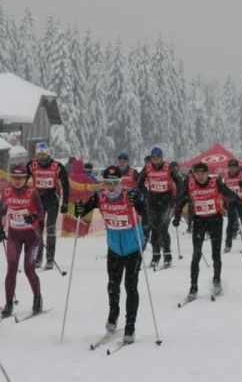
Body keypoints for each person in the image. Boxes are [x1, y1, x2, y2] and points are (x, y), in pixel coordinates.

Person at [75, 166, 146, 344]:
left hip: (133, 247)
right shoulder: (101, 196)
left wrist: (137, 201)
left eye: (115, 183)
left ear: (120, 182)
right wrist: (79, 208)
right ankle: (113, 316)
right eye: (108, 183)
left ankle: (130, 326)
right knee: (113, 286)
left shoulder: (130, 194)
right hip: (114, 247)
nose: (111, 186)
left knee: (130, 285)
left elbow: (145, 210)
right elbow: (84, 211)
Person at [173, 162, 239, 301]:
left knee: (215, 254)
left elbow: (228, 193)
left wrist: (235, 199)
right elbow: (180, 201)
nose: (200, 176)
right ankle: (193, 287)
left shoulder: (215, 182)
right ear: (194, 174)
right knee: (196, 255)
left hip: (215, 220)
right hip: (199, 221)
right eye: (198, 173)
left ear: (207, 173)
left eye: (203, 173)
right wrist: (177, 217)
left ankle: (216, 281)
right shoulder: (189, 185)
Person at [0, 165, 44, 318]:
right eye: (14, 178)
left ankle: (37, 299)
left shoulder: (32, 193)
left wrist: (34, 217)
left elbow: (41, 212)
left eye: (20, 178)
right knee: (11, 267)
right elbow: (2, 212)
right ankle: (9, 303)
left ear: (26, 178)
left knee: (29, 269)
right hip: (14, 236)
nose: (17, 181)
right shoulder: (6, 193)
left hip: (32, 237)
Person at [26, 142, 70, 270]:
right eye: (39, 154)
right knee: (38, 229)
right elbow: (23, 181)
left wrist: (65, 203)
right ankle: (38, 258)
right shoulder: (31, 165)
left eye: (43, 154)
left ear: (48, 153)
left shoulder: (57, 166)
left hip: (52, 200)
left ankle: (50, 259)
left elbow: (66, 185)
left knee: (50, 229)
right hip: (37, 200)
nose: (41, 157)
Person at [137, 147, 181, 268]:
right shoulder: (148, 167)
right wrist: (144, 193)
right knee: (154, 229)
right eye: (153, 158)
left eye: (157, 158)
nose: (155, 160)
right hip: (152, 200)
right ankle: (156, 257)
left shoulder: (168, 167)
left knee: (163, 228)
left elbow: (179, 182)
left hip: (166, 200)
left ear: (161, 157)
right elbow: (139, 182)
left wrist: (176, 197)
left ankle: (167, 256)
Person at [223, 159, 242, 252]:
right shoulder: (225, 178)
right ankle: (228, 244)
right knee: (230, 223)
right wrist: (225, 200)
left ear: (237, 167)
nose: (232, 169)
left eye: (234, 167)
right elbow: (223, 191)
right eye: (230, 167)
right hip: (231, 202)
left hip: (241, 201)